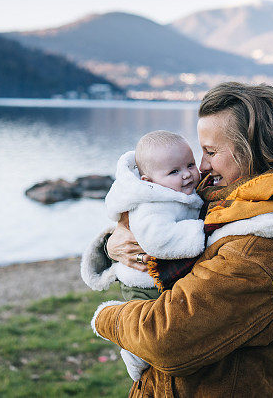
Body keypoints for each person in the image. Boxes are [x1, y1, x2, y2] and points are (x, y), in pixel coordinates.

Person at [82, 82, 273, 397]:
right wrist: (111, 244)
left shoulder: (259, 252)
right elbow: (156, 221)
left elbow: (165, 338)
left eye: (211, 151)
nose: (202, 166)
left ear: (256, 150)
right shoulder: (229, 204)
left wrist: (105, 316)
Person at [82, 130, 205, 380]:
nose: (187, 174)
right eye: (174, 171)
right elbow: (159, 241)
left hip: (156, 279)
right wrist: (202, 231)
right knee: (145, 328)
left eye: (190, 164)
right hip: (143, 283)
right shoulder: (154, 205)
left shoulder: (174, 192)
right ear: (149, 180)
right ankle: (133, 355)